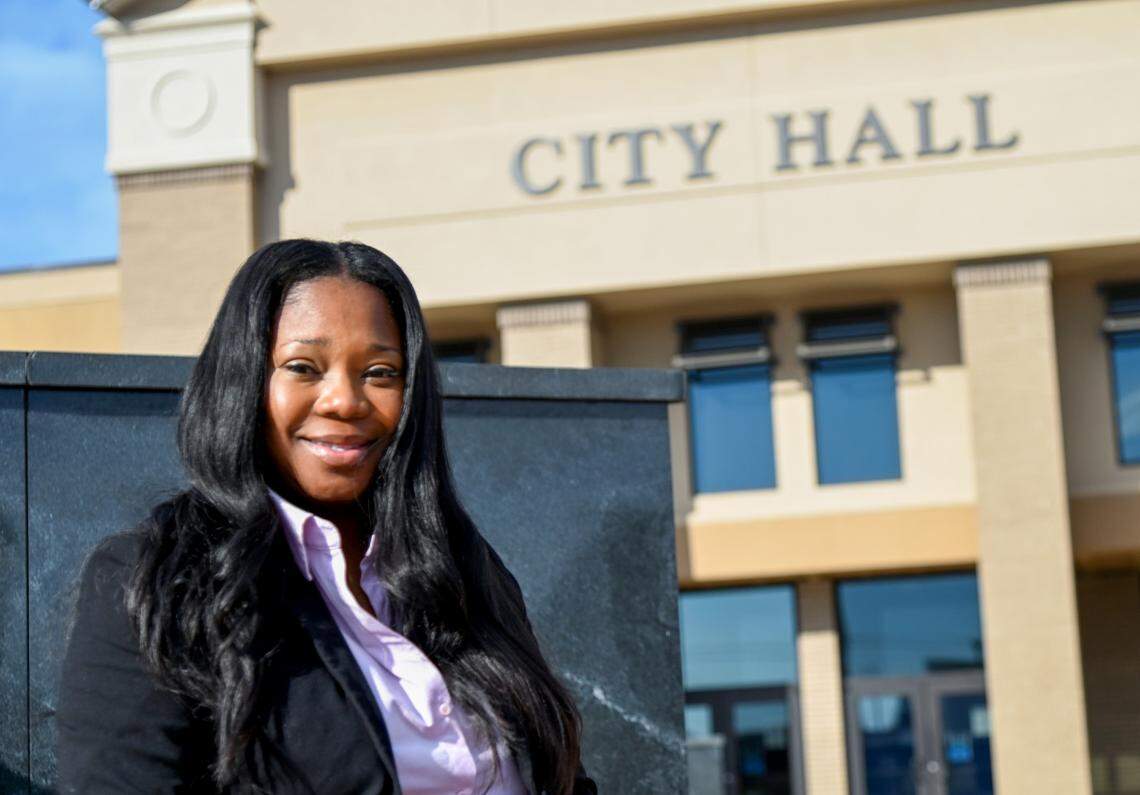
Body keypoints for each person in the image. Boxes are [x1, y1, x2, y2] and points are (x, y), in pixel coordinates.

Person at [57, 239, 596, 795]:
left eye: (381, 373)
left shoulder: (465, 571)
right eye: (303, 367)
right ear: (243, 381)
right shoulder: (162, 577)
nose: (345, 400)